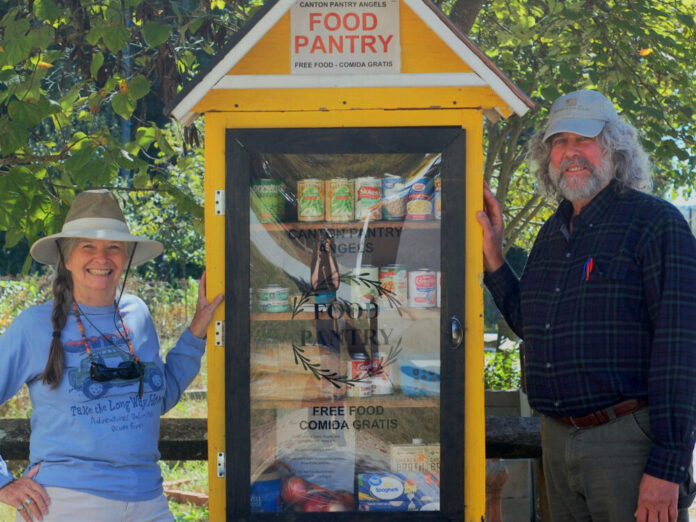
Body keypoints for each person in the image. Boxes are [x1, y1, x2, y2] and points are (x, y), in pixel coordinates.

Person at [478, 90, 696, 521]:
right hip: (558, 441)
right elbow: (531, 323)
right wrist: (496, 259)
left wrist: (667, 467)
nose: (571, 152)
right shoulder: (551, 232)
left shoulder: (655, 223)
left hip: (627, 441)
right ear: (547, 156)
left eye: (585, 139)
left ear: (615, 149)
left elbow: (681, 350)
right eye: (559, 141)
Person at [0, 190, 223, 521]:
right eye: (88, 246)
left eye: (113, 247)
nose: (101, 257)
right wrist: (4, 482)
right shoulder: (34, 325)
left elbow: (155, 399)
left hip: (149, 500)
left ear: (127, 255)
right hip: (67, 504)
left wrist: (195, 333)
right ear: (66, 257)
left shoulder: (138, 314)